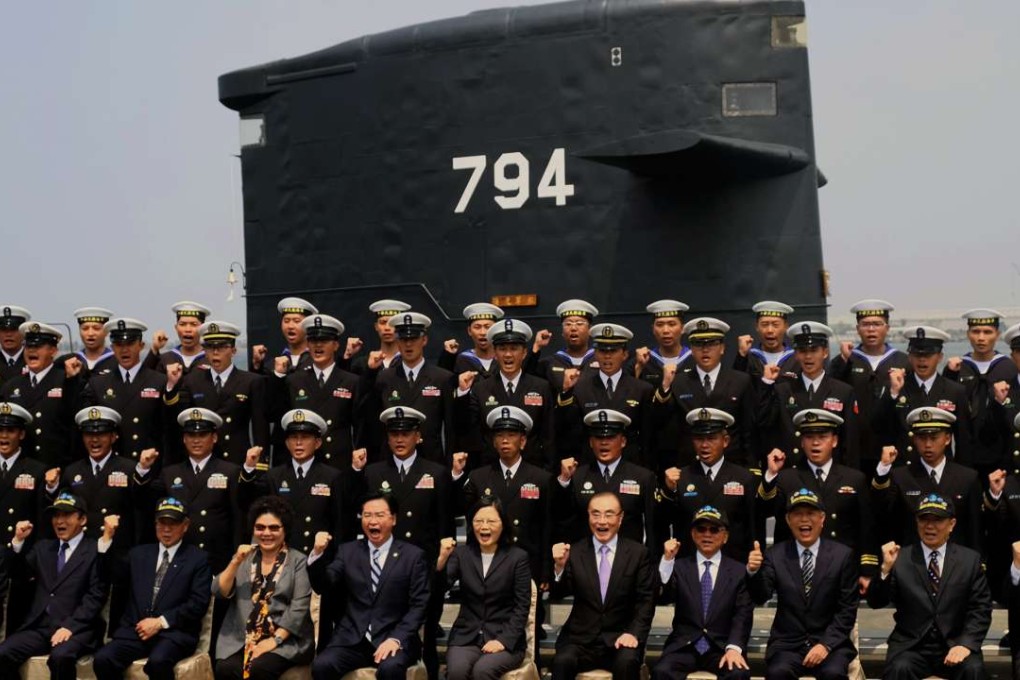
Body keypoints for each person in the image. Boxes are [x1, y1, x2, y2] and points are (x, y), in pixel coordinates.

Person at [351, 405, 457, 679]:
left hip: (424, 571)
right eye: (394, 433)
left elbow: (446, 530)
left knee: (428, 643)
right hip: (382, 573)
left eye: (406, 433)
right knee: (385, 640)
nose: (400, 439)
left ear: (418, 437)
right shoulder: (373, 473)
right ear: (387, 438)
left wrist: (442, 570)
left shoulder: (437, 473)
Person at [867, 493, 991, 680]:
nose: (930, 526)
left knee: (973, 670)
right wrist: (885, 569)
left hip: (954, 643)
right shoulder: (900, 558)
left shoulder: (969, 560)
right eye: (924, 519)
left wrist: (965, 644)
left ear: (952, 524)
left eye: (938, 520)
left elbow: (980, 609)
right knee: (899, 668)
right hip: (912, 647)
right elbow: (876, 602)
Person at [308, 492, 430, 680]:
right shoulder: (347, 551)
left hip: (394, 640)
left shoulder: (413, 556)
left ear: (394, 519)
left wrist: (396, 639)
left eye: (379, 515)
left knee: (390, 669)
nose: (373, 521)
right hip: (353, 640)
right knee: (322, 665)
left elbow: (419, 606)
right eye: (367, 515)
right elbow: (323, 585)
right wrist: (317, 554)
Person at [45, 406, 143, 634]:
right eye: (89, 434)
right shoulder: (72, 472)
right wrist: (51, 488)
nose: (95, 440)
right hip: (81, 557)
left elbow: (139, 514)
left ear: (114, 436)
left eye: (101, 434)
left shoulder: (129, 469)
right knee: (81, 613)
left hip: (117, 555)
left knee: (114, 622)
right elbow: (61, 510)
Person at [92, 497, 212, 680]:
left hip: (173, 633)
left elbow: (198, 603)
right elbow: (109, 575)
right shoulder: (138, 554)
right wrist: (107, 538)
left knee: (158, 662)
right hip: (135, 631)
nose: (166, 529)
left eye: (173, 523)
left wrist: (160, 622)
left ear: (185, 525)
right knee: (103, 659)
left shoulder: (198, 559)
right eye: (162, 522)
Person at [747, 488, 860, 680]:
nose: (804, 520)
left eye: (810, 513)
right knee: (777, 673)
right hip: (787, 645)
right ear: (788, 520)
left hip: (830, 645)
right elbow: (760, 596)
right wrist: (753, 571)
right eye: (798, 514)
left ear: (822, 518)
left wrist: (825, 645)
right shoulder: (775, 555)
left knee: (832, 673)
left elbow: (847, 609)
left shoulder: (843, 556)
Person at [758, 409, 879, 586]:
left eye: (822, 436)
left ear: (835, 441)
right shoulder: (787, 478)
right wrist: (770, 475)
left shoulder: (854, 478)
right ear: (802, 441)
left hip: (840, 569)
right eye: (809, 437)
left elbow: (866, 528)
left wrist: (867, 571)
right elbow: (765, 511)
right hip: (795, 568)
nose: (815, 443)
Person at [0, 492, 110, 680]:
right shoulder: (44, 548)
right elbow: (19, 574)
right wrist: (18, 542)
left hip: (77, 629)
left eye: (67, 515)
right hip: (41, 626)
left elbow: (96, 595)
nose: (60, 521)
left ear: (82, 519)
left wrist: (70, 626)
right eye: (56, 515)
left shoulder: (94, 550)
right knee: (4, 653)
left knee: (61, 657)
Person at [549, 491, 655, 680]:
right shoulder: (575, 551)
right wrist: (559, 566)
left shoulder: (638, 553)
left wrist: (633, 634)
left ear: (620, 518)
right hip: (580, 639)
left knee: (627, 662)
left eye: (609, 514)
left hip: (620, 638)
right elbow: (558, 593)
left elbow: (646, 601)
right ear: (588, 516)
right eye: (595, 514)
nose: (602, 521)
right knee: (562, 662)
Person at [213, 495, 315, 680]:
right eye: (260, 527)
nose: (266, 533)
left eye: (274, 528)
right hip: (243, 639)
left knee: (259, 668)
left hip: (287, 640)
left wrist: (274, 641)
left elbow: (299, 607)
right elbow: (219, 591)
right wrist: (235, 561)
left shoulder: (298, 560)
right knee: (225, 669)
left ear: (285, 530)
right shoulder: (244, 558)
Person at [653, 506, 753, 680]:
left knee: (738, 674)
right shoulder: (679, 567)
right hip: (684, 647)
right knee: (662, 671)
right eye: (701, 529)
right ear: (693, 534)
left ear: (725, 537)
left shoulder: (738, 571)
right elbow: (663, 596)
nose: (707, 534)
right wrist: (667, 561)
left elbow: (742, 615)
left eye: (714, 530)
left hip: (721, 647)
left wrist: (734, 648)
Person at [436, 497, 531, 680]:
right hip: (466, 637)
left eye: (491, 521)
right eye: (478, 521)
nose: (484, 526)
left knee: (482, 671)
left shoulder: (517, 557)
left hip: (505, 639)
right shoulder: (461, 554)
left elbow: (522, 607)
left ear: (503, 524)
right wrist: (441, 561)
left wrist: (503, 641)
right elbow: (438, 589)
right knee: (456, 671)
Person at [651, 317, 758, 469]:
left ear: (722, 348)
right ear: (692, 350)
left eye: (711, 344)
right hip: (690, 467)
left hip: (732, 465)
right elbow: (663, 426)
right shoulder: (679, 382)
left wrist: (751, 467)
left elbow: (748, 430)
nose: (705, 350)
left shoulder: (741, 380)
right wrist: (665, 387)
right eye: (699, 344)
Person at [871, 407, 982, 552]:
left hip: (955, 564)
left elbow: (975, 530)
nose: (928, 445)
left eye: (934, 438)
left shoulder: (967, 478)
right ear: (914, 440)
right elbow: (880, 512)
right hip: (912, 562)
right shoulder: (901, 476)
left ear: (947, 439)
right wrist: (883, 469)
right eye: (922, 438)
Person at [165, 321, 270, 468]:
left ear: (233, 350)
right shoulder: (192, 381)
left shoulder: (250, 381)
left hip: (237, 460)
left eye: (221, 347)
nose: (215, 352)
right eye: (210, 347)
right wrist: (171, 386)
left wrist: (260, 464)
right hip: (204, 461)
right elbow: (177, 418)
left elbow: (260, 428)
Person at [454, 319, 556, 469]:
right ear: (495, 353)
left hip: (533, 469)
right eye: (502, 349)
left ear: (524, 353)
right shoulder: (480, 389)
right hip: (491, 471)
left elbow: (549, 436)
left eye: (514, 348)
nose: (508, 354)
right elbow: (468, 433)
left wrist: (548, 473)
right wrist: (462, 393)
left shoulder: (541, 387)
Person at [660, 408, 759, 563]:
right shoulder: (681, 477)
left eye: (711, 438)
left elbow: (752, 528)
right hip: (690, 565)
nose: (704, 445)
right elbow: (665, 520)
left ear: (725, 441)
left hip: (732, 566)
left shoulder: (744, 478)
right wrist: (668, 490)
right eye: (699, 438)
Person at [759, 321, 860, 468]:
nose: (808, 356)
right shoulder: (783, 390)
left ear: (825, 352)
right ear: (796, 354)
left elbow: (850, 443)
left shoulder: (843, 392)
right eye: (802, 351)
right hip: (793, 473)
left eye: (813, 350)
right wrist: (767, 384)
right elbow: (763, 424)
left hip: (831, 474)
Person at [828, 300, 910, 479]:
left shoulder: (903, 362)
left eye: (877, 324)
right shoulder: (848, 360)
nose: (871, 329)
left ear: (887, 328)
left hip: (892, 447)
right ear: (857, 329)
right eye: (865, 325)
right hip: (855, 448)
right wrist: (843, 360)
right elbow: (830, 388)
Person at [271, 314, 364, 469]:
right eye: (313, 341)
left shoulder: (351, 381)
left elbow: (360, 428)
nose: (318, 346)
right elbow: (276, 417)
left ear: (335, 345)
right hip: (305, 464)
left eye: (324, 341)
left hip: (338, 464)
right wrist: (278, 377)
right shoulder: (294, 381)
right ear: (308, 344)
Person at [554, 409, 657, 548]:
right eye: (599, 438)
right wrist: (564, 481)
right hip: (588, 559)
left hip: (629, 561)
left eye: (611, 437)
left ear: (623, 441)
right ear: (591, 442)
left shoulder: (643, 477)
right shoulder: (578, 476)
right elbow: (564, 521)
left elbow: (652, 529)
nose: (604, 443)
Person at [872, 326, 972, 468]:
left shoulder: (955, 391)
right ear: (910, 357)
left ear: (940, 357)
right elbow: (877, 425)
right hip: (905, 471)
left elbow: (964, 441)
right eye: (917, 355)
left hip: (942, 471)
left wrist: (961, 477)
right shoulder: (897, 386)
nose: (922, 361)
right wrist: (892, 393)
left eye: (928, 355)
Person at [555, 322, 653, 466]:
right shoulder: (580, 388)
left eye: (613, 351)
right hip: (591, 466)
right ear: (595, 354)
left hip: (631, 465)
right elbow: (569, 431)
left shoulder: (642, 389)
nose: (607, 356)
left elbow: (647, 437)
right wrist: (566, 392)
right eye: (602, 351)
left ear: (625, 354)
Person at [364, 312, 456, 464]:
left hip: (431, 459)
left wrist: (449, 464)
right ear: (397, 341)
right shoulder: (384, 378)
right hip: (392, 461)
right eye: (404, 339)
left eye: (413, 339)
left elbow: (451, 428)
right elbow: (373, 424)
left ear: (424, 340)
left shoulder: (442, 378)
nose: (408, 344)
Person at [79, 318, 170, 462]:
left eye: (130, 343)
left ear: (141, 345)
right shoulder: (98, 384)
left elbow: (168, 431)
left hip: (149, 465)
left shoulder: (159, 381)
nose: (124, 349)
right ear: (113, 347)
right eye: (119, 344)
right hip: (113, 468)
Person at [944, 308, 1018, 481]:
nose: (981, 338)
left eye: (987, 332)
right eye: (976, 332)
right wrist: (949, 374)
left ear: (997, 334)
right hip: (966, 455)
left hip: (1003, 456)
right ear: (968, 334)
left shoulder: (1009, 368)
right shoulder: (958, 368)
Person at [0, 322, 79, 468]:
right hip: (22, 471)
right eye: (29, 346)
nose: (32, 351)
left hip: (56, 467)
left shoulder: (66, 381)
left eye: (38, 346)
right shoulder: (11, 387)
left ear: (53, 351)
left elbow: (74, 428)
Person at [0, 402, 46, 633]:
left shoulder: (35, 470)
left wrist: (32, 561)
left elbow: (40, 520)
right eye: (0, 430)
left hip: (19, 558)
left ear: (22, 434)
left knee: (14, 626)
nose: (3, 436)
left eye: (9, 431)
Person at [634, 300, 692, 469]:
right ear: (653, 328)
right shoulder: (643, 361)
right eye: (660, 324)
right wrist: (638, 369)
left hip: (688, 442)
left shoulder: (695, 360)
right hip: (653, 443)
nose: (666, 330)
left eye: (672, 324)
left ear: (682, 328)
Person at [532, 299, 599, 392]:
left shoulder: (601, 361)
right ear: (562, 332)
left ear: (590, 330)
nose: (573, 328)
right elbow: (525, 380)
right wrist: (536, 347)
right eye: (568, 324)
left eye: (579, 323)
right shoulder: (549, 364)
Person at [733, 301, 799, 382]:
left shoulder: (796, 358)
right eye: (764, 324)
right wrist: (741, 355)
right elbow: (735, 386)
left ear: (786, 327)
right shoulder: (749, 358)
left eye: (775, 325)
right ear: (757, 327)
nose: (770, 330)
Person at [249, 297, 317, 376]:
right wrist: (257, 366)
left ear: (308, 325)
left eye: (296, 321)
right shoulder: (272, 365)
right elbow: (258, 386)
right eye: (286, 321)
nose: (290, 326)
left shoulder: (318, 361)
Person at [438, 302, 505, 379]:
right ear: (469, 331)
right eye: (477, 327)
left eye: (487, 327)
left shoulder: (506, 359)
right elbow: (442, 383)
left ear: (495, 330)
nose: (483, 332)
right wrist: (448, 357)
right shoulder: (462, 360)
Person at [146, 301, 212, 375]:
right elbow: (144, 381)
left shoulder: (212, 359)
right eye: (182, 324)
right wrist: (155, 348)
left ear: (203, 328)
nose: (188, 329)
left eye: (194, 324)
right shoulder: (166, 360)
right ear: (176, 328)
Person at [68, 306, 115, 376]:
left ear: (106, 332)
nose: (90, 333)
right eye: (85, 328)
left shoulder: (117, 362)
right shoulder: (70, 362)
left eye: (96, 328)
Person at [0, 304, 31, 387]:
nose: (8, 334)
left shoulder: (34, 361)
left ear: (24, 332)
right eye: (3, 330)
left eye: (14, 329)